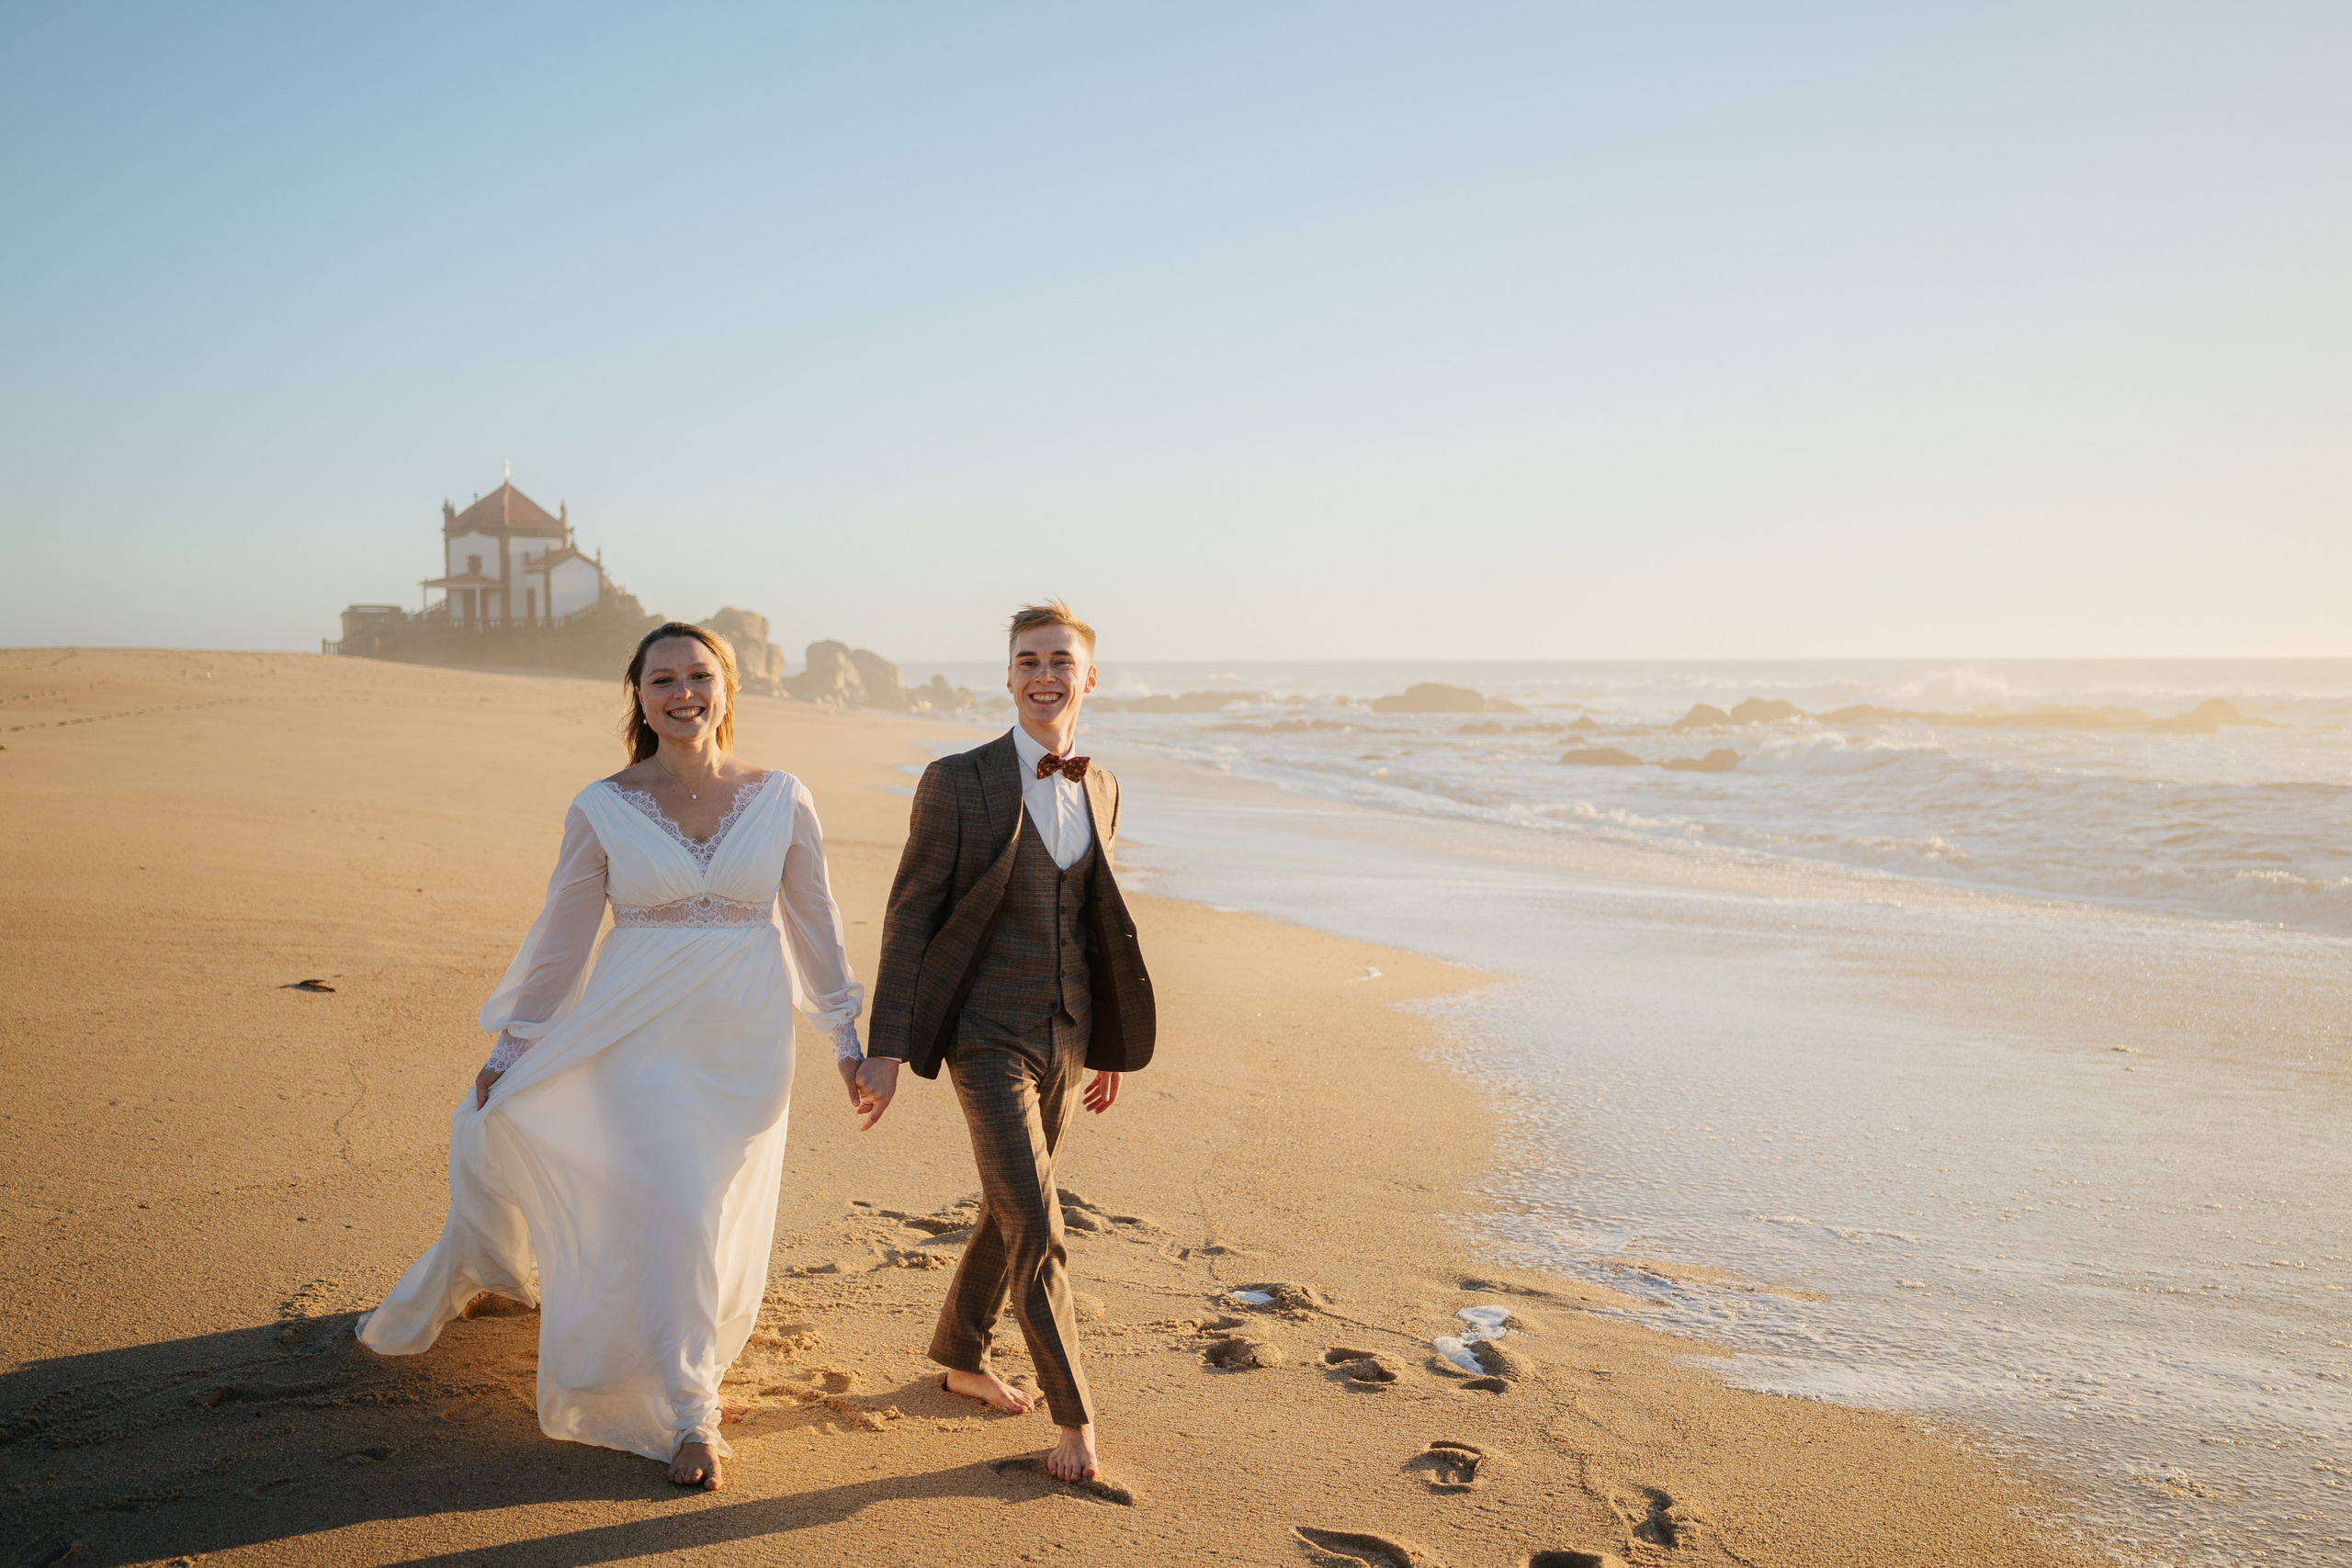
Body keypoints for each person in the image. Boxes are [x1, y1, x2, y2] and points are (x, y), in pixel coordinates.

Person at [356, 621, 865, 1493]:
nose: (682, 693)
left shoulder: (785, 796)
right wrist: (513, 1047)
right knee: (678, 1200)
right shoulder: (602, 805)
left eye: (698, 675)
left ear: (727, 687)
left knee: (710, 1207)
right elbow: (561, 941)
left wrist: (845, 1040)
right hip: (636, 1034)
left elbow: (817, 925)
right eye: (662, 679)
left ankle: (676, 1353)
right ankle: (690, 1413)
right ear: (639, 695)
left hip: (745, 1041)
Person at [849, 599, 1156, 1483]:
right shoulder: (957, 781)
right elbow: (910, 917)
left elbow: (1093, 922)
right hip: (983, 1034)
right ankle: (1075, 1416)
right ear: (1009, 676)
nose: (1044, 675)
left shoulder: (1103, 786)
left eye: (1060, 660)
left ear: (1089, 676)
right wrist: (884, 1047)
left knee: (1008, 1202)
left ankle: (960, 1353)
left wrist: (1106, 1042)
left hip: (1068, 1033)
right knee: (1039, 1223)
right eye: (1028, 660)